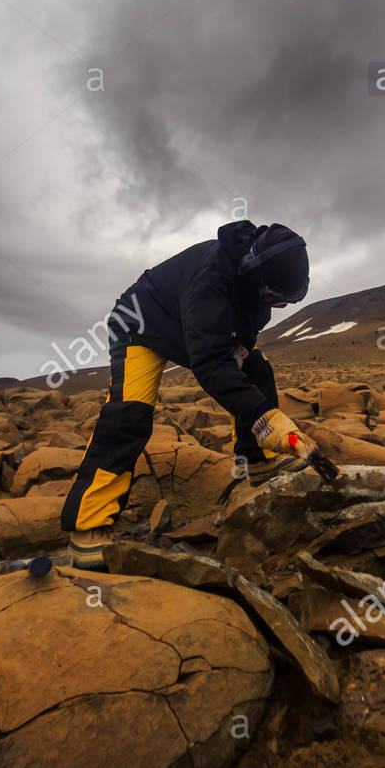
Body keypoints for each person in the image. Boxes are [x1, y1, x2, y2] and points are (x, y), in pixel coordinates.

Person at [60, 220, 320, 570]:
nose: (279, 306)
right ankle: (87, 528)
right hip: (140, 324)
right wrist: (267, 417)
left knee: (257, 372)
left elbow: (236, 346)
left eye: (290, 301)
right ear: (254, 274)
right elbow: (212, 366)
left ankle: (256, 461)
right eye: (276, 298)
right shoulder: (210, 282)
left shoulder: (255, 286)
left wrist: (252, 388)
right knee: (129, 416)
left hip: (188, 325)